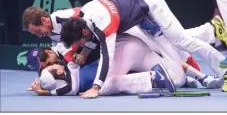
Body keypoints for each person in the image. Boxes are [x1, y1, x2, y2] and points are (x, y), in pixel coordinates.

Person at [59, 0, 227, 98]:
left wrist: (96, 87)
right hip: (141, 23)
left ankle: (219, 52)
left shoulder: (104, 25)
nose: (80, 45)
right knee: (176, 42)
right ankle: (209, 34)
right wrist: (85, 53)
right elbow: (91, 39)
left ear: (83, 32)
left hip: (151, 7)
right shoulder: (86, 14)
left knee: (180, 40)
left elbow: (107, 57)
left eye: (78, 42)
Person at [22, 6, 225, 89]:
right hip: (116, 45)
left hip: (119, 34)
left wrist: (78, 55)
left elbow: (88, 31)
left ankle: (209, 32)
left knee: (170, 42)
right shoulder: (53, 38)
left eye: (36, 30)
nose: (38, 35)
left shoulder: (65, 18)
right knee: (166, 49)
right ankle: (207, 38)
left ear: (44, 20)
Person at [28, 33, 189, 96]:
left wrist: (41, 89)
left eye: (45, 66)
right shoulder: (69, 69)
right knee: (177, 77)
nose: (51, 65)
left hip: (121, 47)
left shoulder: (67, 58)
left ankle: (154, 77)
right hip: (122, 53)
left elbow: (53, 89)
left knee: (109, 85)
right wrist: (42, 84)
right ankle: (189, 79)